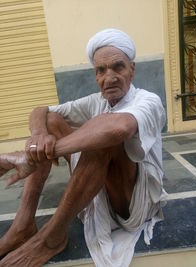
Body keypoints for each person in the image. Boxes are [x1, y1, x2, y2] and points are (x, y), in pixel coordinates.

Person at [0, 28, 167, 267]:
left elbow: (119, 129)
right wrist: (39, 135)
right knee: (51, 122)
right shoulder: (96, 101)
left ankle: (51, 238)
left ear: (132, 69)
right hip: (101, 193)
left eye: (118, 67)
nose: (109, 77)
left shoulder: (148, 100)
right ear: (95, 74)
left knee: (102, 134)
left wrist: (29, 157)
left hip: (134, 205)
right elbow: (41, 111)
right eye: (101, 70)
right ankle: (23, 224)